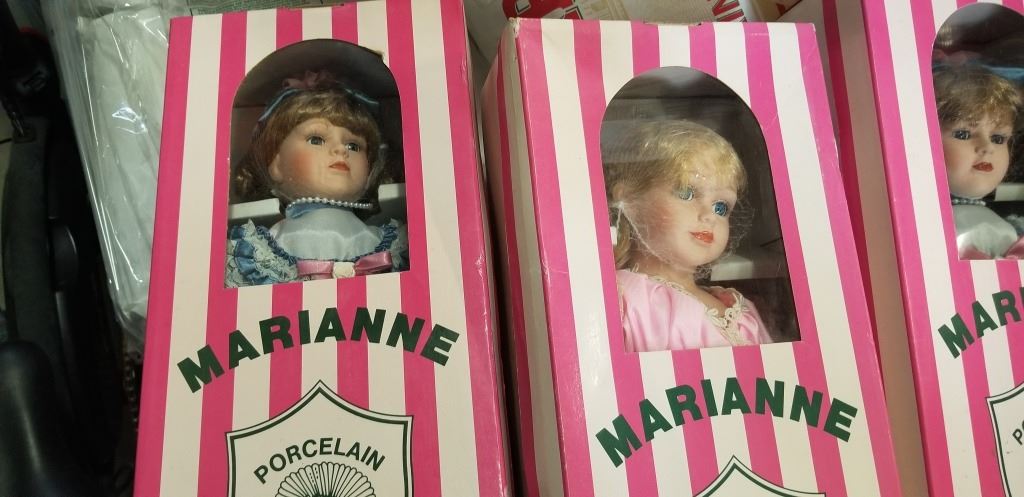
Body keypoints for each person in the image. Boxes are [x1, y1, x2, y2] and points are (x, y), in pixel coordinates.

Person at [225, 71, 408, 287]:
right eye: (316, 140)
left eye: (354, 146)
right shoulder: (259, 254)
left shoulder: (394, 246)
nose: (341, 150)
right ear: (276, 164)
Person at [603, 119, 771, 352]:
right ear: (629, 198)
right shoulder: (620, 298)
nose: (709, 216)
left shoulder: (743, 314)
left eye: (721, 207)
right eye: (686, 193)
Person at [933, 64, 1024, 259]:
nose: (987, 147)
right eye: (963, 134)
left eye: (998, 138)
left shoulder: (1009, 228)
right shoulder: (929, 226)